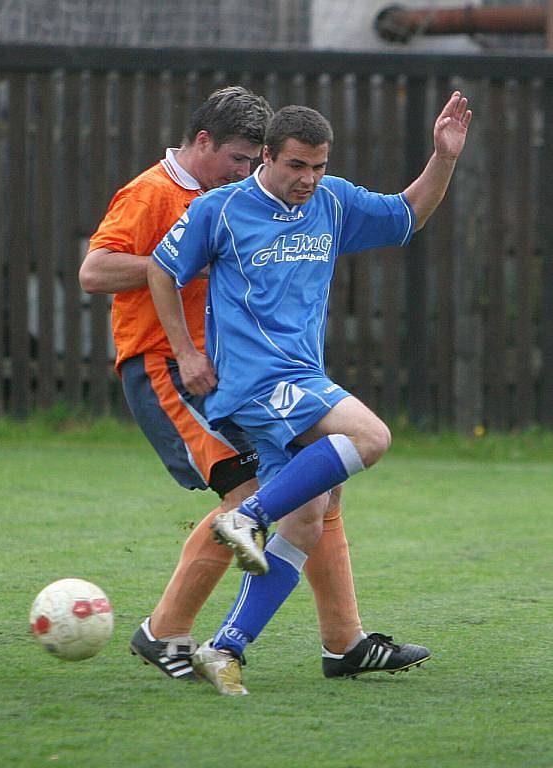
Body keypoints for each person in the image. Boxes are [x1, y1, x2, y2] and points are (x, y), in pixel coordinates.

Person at [80, 86, 412, 684]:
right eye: (238, 157)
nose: (245, 169)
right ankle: (164, 631)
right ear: (202, 142)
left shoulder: (240, 203)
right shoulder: (156, 192)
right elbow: (95, 269)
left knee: (315, 497)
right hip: (166, 368)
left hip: (227, 374)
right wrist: (197, 264)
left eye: (255, 158)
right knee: (253, 498)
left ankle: (345, 641)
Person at [147, 92, 472, 695]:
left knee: (307, 520)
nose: (308, 179)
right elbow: (161, 271)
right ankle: (246, 517)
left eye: (319, 167)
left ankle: (225, 648)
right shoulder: (221, 209)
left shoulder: (332, 201)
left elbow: (407, 215)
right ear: (266, 156)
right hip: (255, 383)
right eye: (297, 166)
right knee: (370, 436)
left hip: (301, 378)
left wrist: (443, 158)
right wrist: (188, 354)